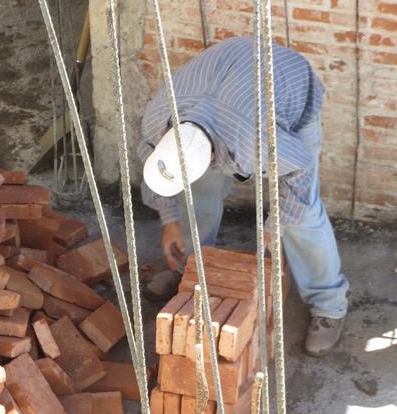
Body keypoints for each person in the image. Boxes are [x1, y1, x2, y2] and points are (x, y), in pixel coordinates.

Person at [139, 35, 349, 357]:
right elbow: (153, 162)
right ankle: (190, 267)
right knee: (196, 192)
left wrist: (275, 224)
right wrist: (170, 220)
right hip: (225, 78)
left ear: (212, 159)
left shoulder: (255, 142)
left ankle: (329, 305)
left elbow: (302, 169)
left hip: (288, 86)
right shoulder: (157, 120)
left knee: (302, 215)